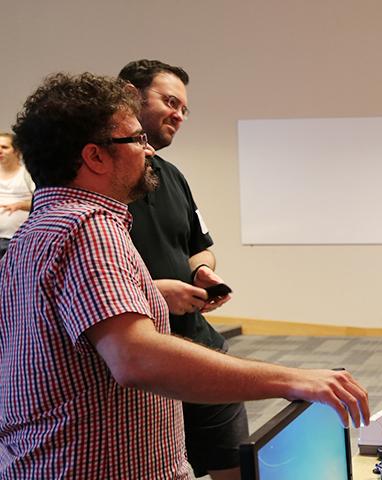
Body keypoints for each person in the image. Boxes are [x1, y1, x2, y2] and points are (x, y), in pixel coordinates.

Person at [0, 72, 369, 479]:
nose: (148, 151)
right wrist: (294, 379)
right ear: (95, 157)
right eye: (136, 140)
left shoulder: (33, 233)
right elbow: (136, 358)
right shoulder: (88, 226)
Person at [117, 59, 244, 479]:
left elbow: (199, 248)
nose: (179, 115)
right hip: (141, 363)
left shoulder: (172, 176)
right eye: (170, 101)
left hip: (199, 346)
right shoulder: (95, 185)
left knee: (232, 465)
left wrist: (201, 274)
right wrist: (155, 292)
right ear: (130, 96)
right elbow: (87, 283)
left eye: (184, 109)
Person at [0, 133, 34, 260]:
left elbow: (40, 202)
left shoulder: (27, 174)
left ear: (16, 151)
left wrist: (20, 205)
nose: (0, 151)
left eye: (4, 147)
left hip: (16, 241)